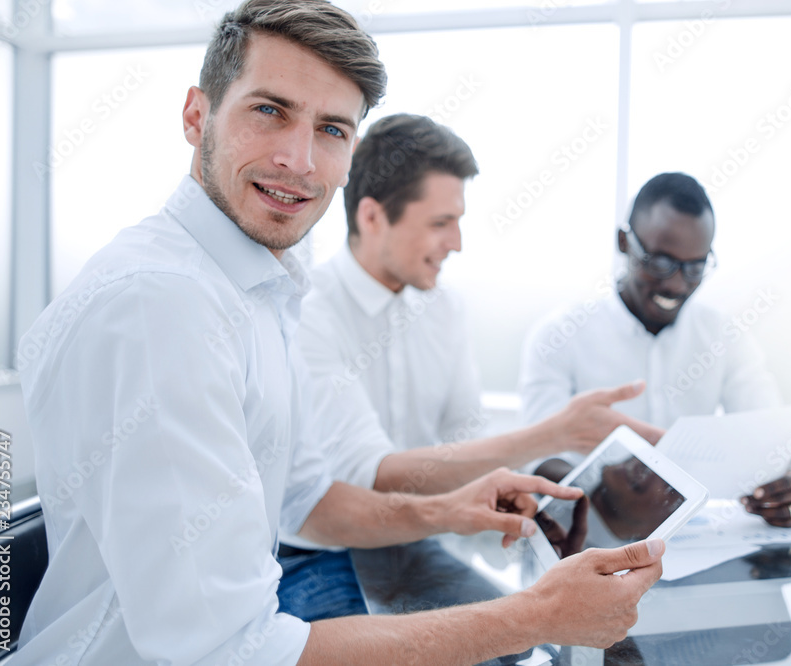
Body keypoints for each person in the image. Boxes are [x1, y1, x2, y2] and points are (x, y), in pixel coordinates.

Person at [13, 2, 665, 664]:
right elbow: (230, 651)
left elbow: (308, 502)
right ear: (196, 116)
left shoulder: (261, 290)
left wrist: (450, 509)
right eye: (269, 110)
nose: (299, 160)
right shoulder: (164, 305)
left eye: (331, 129)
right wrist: (536, 615)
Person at [276, 113, 667, 623]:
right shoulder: (308, 310)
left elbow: (465, 437)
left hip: (415, 543)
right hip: (317, 556)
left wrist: (528, 492)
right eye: (440, 223)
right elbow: (372, 476)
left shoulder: (444, 308)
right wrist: (552, 434)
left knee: (528, 646)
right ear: (372, 217)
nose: (456, 242)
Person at [519, 172, 791, 527]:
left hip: (691, 537)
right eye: (660, 262)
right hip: (592, 541)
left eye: (695, 267)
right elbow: (534, 453)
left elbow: (770, 431)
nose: (675, 284)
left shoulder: (725, 335)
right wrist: (598, 496)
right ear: (624, 242)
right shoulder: (559, 335)